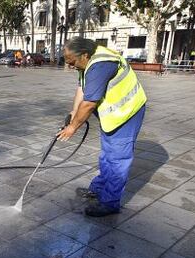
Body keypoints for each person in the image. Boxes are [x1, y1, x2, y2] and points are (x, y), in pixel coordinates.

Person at [57, 37, 147, 217]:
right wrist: (74, 113)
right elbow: (82, 89)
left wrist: (73, 127)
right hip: (114, 116)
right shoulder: (86, 62)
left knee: (117, 159)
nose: (71, 66)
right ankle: (98, 189)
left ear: (84, 55)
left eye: (72, 62)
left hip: (127, 113)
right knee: (107, 156)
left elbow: (89, 103)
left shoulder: (101, 64)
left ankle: (110, 203)